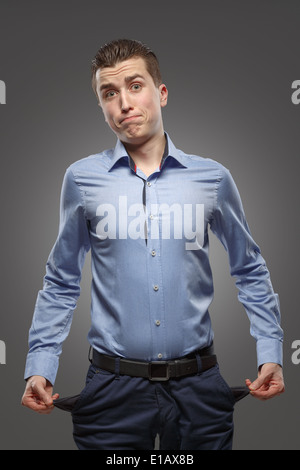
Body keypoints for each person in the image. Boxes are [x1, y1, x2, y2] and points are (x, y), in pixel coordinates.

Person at [22, 39, 285, 450]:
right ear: (102, 106)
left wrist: (270, 351)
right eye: (109, 93)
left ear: (161, 93)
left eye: (135, 85)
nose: (124, 102)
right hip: (111, 390)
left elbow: (249, 267)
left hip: (199, 387)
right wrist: (40, 365)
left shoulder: (212, 178)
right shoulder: (81, 179)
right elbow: (61, 280)